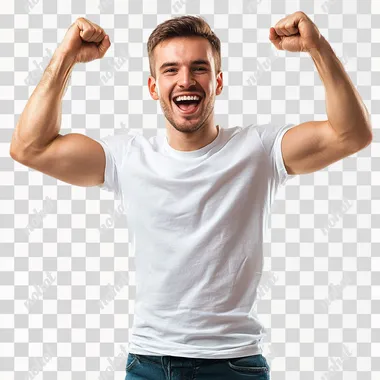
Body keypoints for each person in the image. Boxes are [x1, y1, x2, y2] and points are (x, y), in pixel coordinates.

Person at [10, 11, 372, 380]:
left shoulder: (259, 150)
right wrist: (66, 57)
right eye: (170, 70)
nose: (186, 80)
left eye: (199, 68)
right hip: (148, 363)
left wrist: (317, 47)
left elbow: (352, 134)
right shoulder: (127, 157)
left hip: (233, 365)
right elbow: (30, 148)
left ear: (217, 82)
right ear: (153, 87)